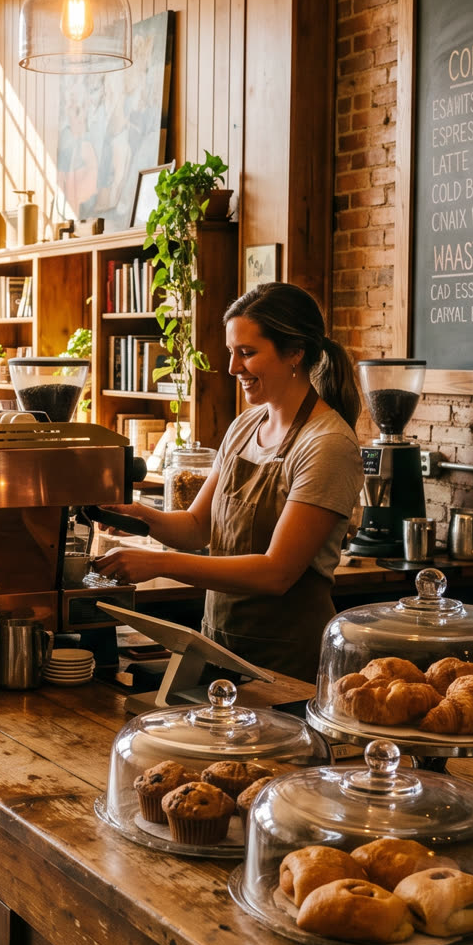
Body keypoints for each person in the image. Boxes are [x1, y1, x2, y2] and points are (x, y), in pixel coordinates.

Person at [92, 282, 364, 678]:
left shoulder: (327, 444)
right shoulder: (245, 426)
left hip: (288, 662)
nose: (234, 368)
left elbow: (276, 572)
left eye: (247, 353)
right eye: (231, 353)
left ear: (294, 352)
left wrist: (160, 563)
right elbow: (198, 527)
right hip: (219, 647)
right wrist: (133, 516)